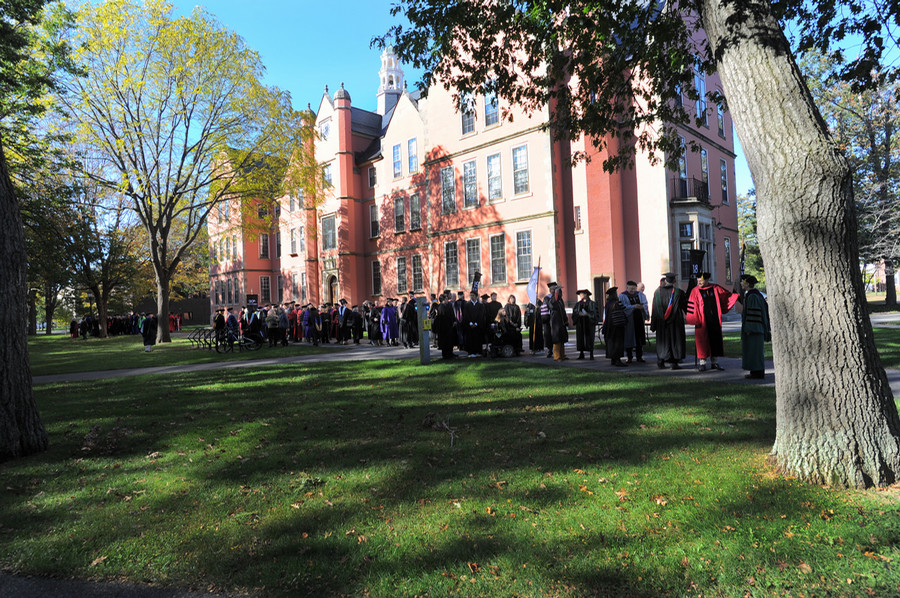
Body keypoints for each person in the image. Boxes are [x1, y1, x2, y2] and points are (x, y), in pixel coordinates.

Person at [686, 272, 740, 371]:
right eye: (698, 281)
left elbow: (726, 296)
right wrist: (695, 319)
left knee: (715, 340)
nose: (699, 282)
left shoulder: (715, 288)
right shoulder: (695, 291)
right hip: (702, 321)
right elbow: (692, 307)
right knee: (703, 342)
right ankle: (702, 363)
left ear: (706, 280)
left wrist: (735, 295)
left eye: (701, 281)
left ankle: (714, 362)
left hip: (715, 320)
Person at [650, 273, 688, 370]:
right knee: (675, 341)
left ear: (665, 281)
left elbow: (654, 309)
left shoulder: (657, 293)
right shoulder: (679, 292)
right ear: (674, 281)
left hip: (661, 323)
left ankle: (660, 362)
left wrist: (653, 324)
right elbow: (686, 306)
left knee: (662, 341)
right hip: (675, 322)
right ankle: (674, 363)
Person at [739, 274, 770, 379]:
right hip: (756, 329)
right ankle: (755, 372)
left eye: (742, 281)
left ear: (747, 283)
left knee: (755, 351)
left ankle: (758, 373)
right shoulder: (754, 294)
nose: (741, 283)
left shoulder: (752, 296)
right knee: (754, 351)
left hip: (755, 329)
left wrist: (750, 328)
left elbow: (753, 314)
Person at [619, 281, 649, 363]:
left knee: (639, 338)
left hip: (639, 319)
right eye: (630, 288)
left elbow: (645, 304)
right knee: (629, 338)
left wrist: (642, 307)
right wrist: (634, 307)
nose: (632, 290)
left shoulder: (640, 295)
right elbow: (622, 307)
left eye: (634, 288)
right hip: (629, 321)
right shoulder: (622, 296)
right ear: (627, 287)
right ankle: (629, 357)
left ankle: (639, 356)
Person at [602, 287, 627, 366]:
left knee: (611, 342)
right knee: (617, 343)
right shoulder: (616, 303)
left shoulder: (608, 303)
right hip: (616, 326)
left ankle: (613, 359)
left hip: (609, 325)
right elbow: (620, 313)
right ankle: (617, 360)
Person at [573, 289, 599, 360]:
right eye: (580, 294)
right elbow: (574, 313)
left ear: (586, 294)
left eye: (582, 294)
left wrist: (587, 314)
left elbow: (595, 313)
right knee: (580, 338)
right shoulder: (578, 304)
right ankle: (581, 354)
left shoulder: (592, 303)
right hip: (580, 324)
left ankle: (591, 354)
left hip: (589, 324)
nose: (580, 295)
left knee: (590, 338)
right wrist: (578, 314)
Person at [462, 290, 486, 357]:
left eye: (473, 295)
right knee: (471, 339)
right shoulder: (467, 305)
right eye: (471, 295)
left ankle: (478, 352)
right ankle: (471, 352)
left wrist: (476, 323)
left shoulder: (480, 305)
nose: (471, 297)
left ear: (476, 296)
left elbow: (481, 315)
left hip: (477, 325)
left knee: (478, 338)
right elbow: (466, 315)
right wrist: (470, 323)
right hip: (470, 325)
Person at [548, 285, 569, 361]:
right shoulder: (552, 300)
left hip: (561, 322)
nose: (561, 293)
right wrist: (556, 293)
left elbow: (563, 311)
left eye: (560, 292)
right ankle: (557, 356)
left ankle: (562, 355)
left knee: (562, 339)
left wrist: (566, 320)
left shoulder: (561, 301)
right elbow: (553, 304)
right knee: (557, 339)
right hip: (555, 322)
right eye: (559, 292)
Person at [435, 292, 458, 359]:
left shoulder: (448, 305)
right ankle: (445, 355)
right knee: (445, 342)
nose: (447, 300)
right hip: (444, 328)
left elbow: (452, 314)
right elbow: (442, 318)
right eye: (446, 299)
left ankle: (450, 353)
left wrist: (454, 321)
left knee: (450, 341)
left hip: (450, 326)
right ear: (443, 300)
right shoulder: (441, 307)